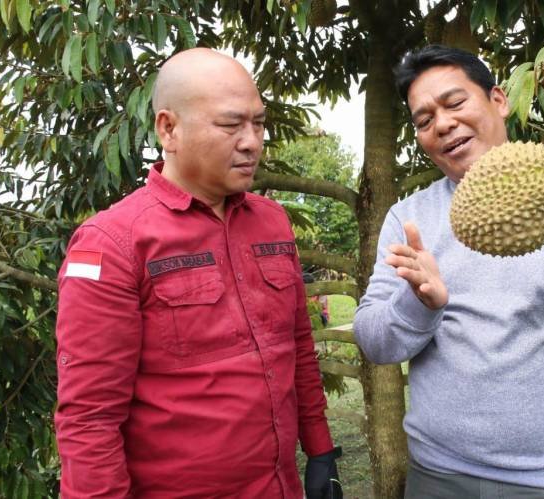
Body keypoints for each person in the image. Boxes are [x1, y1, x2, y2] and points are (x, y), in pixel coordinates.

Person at [353, 45, 544, 498]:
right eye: (424, 120)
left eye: (454, 103)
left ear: (498, 100)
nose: (443, 124)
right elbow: (374, 341)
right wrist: (418, 302)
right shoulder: (409, 218)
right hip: (438, 474)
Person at [54, 48, 341, 498]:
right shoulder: (112, 243)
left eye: (259, 123)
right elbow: (89, 418)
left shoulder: (272, 222)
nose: (252, 141)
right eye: (231, 125)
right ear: (169, 129)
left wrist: (320, 450)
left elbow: (298, 346)